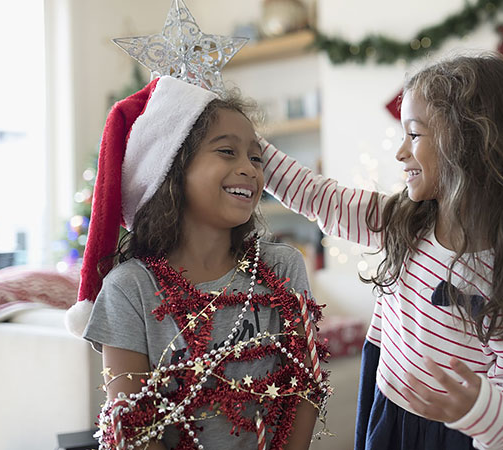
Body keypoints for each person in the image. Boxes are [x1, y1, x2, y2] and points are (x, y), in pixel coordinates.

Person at [259, 52, 503, 450]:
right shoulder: (404, 223)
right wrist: (249, 149)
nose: (400, 152)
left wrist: (481, 410)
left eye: (414, 134)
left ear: (471, 145)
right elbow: (319, 197)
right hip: (387, 408)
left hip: (458, 437)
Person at [65, 76, 325, 450]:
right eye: (226, 152)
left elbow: (305, 385)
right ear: (171, 169)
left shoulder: (281, 266)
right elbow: (132, 426)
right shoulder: (130, 288)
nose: (250, 169)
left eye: (255, 157)